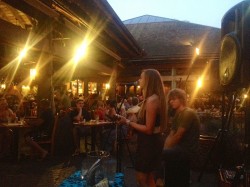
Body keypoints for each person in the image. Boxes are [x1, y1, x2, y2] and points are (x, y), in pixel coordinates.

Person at [118, 69, 167, 187]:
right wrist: (135, 119)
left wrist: (128, 122)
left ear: (148, 80)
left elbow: (148, 129)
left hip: (149, 143)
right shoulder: (153, 98)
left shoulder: (151, 100)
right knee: (149, 177)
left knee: (141, 178)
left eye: (141, 78)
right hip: (151, 141)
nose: (139, 80)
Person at [162, 88, 200, 187]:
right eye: (170, 99)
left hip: (188, 150)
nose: (171, 101)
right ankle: (163, 180)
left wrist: (165, 151)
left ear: (181, 99)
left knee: (159, 155)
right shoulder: (178, 114)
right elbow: (171, 134)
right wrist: (165, 149)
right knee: (160, 152)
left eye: (174, 99)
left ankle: (160, 180)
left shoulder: (188, 113)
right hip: (179, 148)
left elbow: (178, 135)